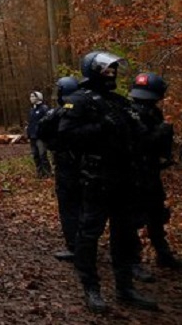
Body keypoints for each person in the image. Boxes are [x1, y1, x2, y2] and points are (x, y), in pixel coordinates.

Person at [58, 50, 157, 313]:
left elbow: (137, 136)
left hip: (125, 180)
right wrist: (102, 126)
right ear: (94, 71)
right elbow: (66, 136)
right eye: (106, 69)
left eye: (114, 69)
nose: (111, 73)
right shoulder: (79, 101)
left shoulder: (119, 101)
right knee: (89, 234)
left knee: (124, 235)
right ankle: (91, 289)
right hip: (97, 179)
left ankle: (125, 288)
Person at [128, 72, 180, 277]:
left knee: (156, 214)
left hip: (149, 173)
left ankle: (162, 252)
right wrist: (163, 131)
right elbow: (141, 142)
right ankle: (133, 261)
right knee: (134, 219)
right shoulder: (132, 114)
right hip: (134, 175)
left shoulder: (153, 113)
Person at [37, 76, 82, 262]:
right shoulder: (88, 110)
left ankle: (75, 246)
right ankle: (85, 242)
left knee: (69, 206)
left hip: (68, 166)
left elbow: (42, 130)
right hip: (86, 165)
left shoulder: (59, 114)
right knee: (84, 205)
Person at [27, 91, 52, 178]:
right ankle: (39, 173)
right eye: (30, 96)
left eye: (33, 96)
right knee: (35, 155)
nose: (31, 98)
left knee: (42, 155)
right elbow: (30, 123)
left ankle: (47, 173)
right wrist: (28, 134)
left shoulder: (44, 108)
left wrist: (44, 134)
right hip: (32, 137)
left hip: (41, 137)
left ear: (38, 97)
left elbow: (47, 122)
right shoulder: (31, 110)